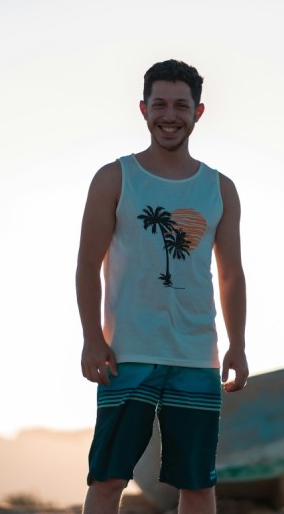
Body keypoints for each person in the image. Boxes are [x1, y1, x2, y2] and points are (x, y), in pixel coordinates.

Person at [76, 59, 248, 514]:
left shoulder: (220, 188)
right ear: (143, 109)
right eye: (160, 105)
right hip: (128, 354)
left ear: (198, 112)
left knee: (197, 485)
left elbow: (231, 273)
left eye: (180, 105)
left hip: (196, 355)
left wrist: (238, 344)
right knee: (108, 478)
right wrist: (93, 338)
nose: (169, 115)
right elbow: (87, 264)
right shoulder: (115, 178)